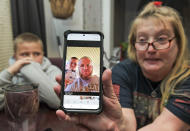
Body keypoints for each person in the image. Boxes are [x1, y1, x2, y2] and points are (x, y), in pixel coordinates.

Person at [54, 2, 190, 131]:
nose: (150, 49)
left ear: (179, 44)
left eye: (161, 39)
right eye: (142, 40)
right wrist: (117, 125)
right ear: (133, 45)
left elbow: (166, 127)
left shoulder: (187, 78)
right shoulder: (122, 71)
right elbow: (126, 124)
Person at [0, 32, 61, 110]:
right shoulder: (10, 74)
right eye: (24, 54)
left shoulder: (53, 70)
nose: (31, 58)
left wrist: (28, 68)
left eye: (36, 54)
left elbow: (57, 102)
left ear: (43, 55)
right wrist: (9, 72)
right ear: (15, 57)